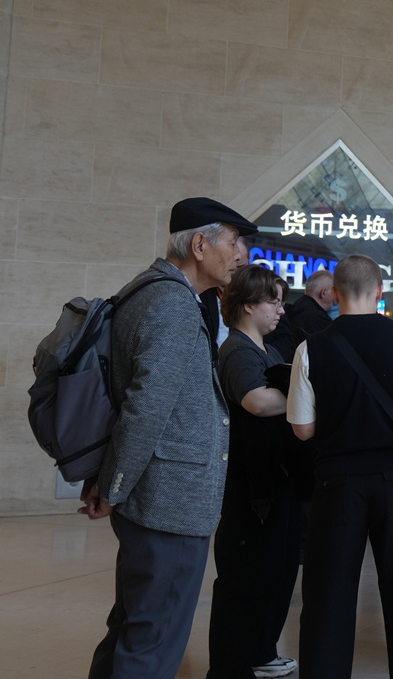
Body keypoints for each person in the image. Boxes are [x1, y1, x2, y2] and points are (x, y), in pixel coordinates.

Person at [80, 197, 255, 679]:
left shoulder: (150, 291)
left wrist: (112, 483)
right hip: (169, 504)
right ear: (199, 245)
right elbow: (147, 407)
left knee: (132, 629)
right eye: (233, 242)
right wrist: (113, 486)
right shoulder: (173, 304)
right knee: (152, 644)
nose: (240, 255)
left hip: (155, 497)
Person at [287, 254, 393, 678]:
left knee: (328, 597)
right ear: (380, 291)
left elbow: (302, 430)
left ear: (334, 293)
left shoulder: (311, 347)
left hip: (337, 486)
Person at [208, 265, 304, 679]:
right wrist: (309, 398)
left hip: (276, 481)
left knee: (276, 576)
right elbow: (257, 402)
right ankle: (230, 667)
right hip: (252, 488)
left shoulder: (268, 351)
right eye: (273, 302)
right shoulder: (237, 350)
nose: (281, 310)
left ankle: (261, 652)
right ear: (248, 305)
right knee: (245, 581)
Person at [287, 268, 335, 342]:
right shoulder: (318, 320)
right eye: (334, 291)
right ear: (323, 293)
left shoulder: (294, 311)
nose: (335, 297)